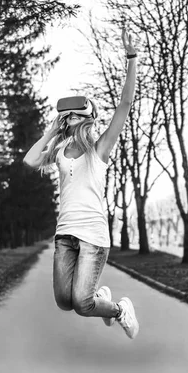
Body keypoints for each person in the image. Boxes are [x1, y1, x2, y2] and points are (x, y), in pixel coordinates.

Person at [23, 28, 139, 339]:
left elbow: (125, 106)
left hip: (92, 236)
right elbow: (30, 161)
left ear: (86, 119)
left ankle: (118, 308)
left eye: (75, 116)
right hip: (65, 235)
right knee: (64, 301)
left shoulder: (100, 148)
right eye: (66, 117)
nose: (69, 119)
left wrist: (131, 58)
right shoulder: (60, 150)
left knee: (82, 303)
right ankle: (100, 301)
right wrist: (50, 131)